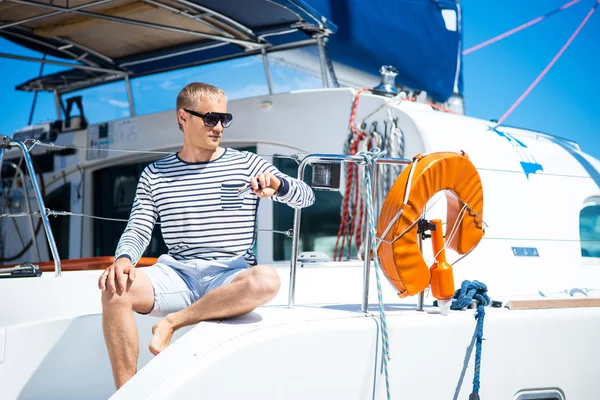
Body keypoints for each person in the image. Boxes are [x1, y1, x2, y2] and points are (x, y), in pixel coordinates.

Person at [98, 82, 315, 389]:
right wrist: (123, 259)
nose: (218, 127)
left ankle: (172, 322)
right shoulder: (155, 174)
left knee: (266, 280)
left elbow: (307, 197)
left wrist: (279, 186)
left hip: (230, 275)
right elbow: (139, 226)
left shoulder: (246, 164)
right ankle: (127, 393)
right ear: (183, 117)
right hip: (177, 274)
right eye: (210, 119)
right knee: (115, 288)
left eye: (224, 119)